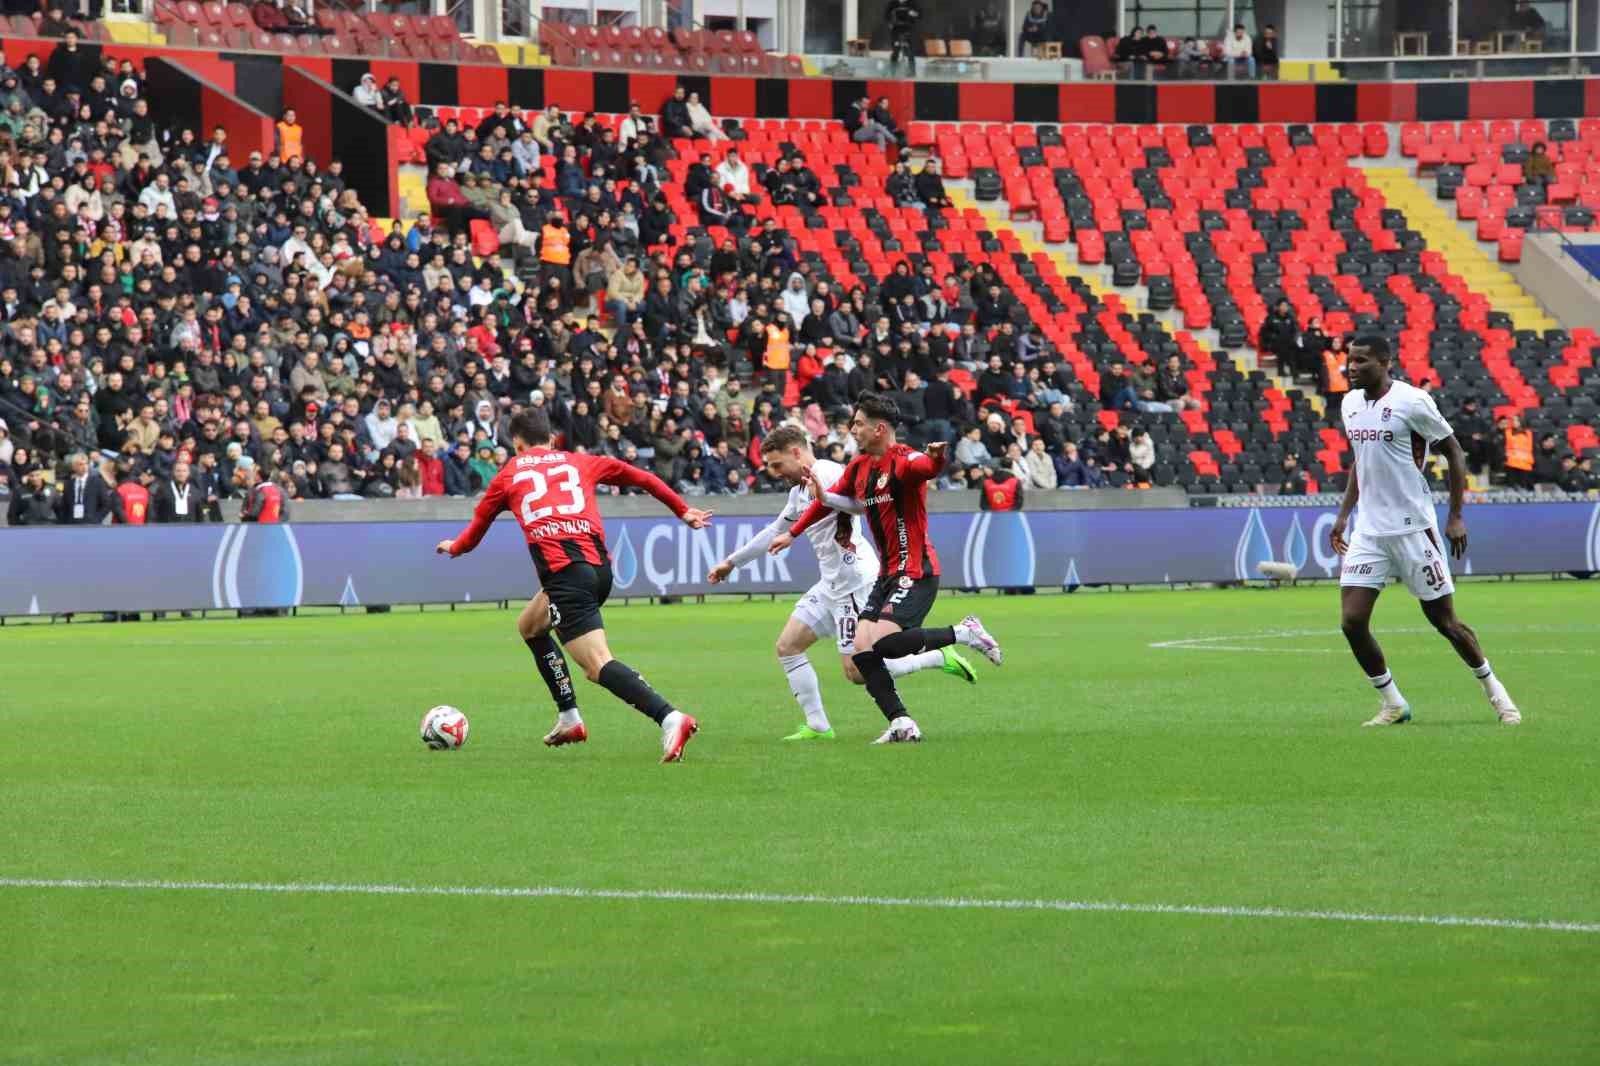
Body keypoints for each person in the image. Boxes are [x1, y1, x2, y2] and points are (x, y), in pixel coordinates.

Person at [435, 408, 715, 763]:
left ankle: (671, 718)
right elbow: (641, 477)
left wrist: (454, 547)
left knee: (597, 665)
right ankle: (569, 717)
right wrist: (682, 509)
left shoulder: (508, 475)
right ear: (552, 439)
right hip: (598, 570)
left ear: (516, 443)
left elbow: (475, 531)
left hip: (567, 578)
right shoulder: (580, 461)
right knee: (530, 626)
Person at [707, 425, 975, 741]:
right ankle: (818, 726)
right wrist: (731, 562)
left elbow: (862, 503)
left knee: (859, 671)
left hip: (854, 581)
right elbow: (774, 531)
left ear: (796, 452)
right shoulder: (798, 493)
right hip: (830, 584)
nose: (774, 473)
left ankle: (938, 656)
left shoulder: (831, 472)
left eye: (777, 464)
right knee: (788, 646)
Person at [768, 393, 1003, 744]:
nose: (853, 430)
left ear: (879, 429)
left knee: (887, 646)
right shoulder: (859, 467)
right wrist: (794, 532)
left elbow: (927, 468)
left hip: (916, 569)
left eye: (859, 424)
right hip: (887, 573)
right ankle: (901, 723)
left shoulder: (905, 461)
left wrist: (938, 459)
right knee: (862, 653)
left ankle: (964, 633)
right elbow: (827, 503)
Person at [1329, 335, 1520, 727]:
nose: (1351, 367)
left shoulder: (1412, 402)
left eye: (1361, 361)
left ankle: (1497, 694)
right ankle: (1393, 703)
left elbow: (1454, 451)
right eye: (1350, 360)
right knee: (1351, 622)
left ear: (1385, 363)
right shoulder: (1349, 404)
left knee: (1445, 623)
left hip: (1414, 529)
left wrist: (1454, 516)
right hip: (1370, 531)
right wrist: (1344, 515)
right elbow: (1360, 462)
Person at [56, 451, 119, 524]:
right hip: (72, 524)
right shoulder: (68, 484)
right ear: (74, 467)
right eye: (80, 464)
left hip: (91, 524)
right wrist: (66, 521)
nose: (84, 466)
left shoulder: (97, 482)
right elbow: (64, 506)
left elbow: (107, 504)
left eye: (86, 464)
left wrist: (97, 519)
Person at [236, 456, 289, 522]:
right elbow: (286, 512)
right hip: (275, 526)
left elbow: (254, 511)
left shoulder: (259, 490)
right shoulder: (280, 490)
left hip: (261, 525)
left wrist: (245, 517)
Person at [884, 0, 920, 75]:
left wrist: (914, 14)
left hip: (909, 29)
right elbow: (886, 16)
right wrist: (890, 24)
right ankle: (892, 72)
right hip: (896, 30)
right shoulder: (893, 3)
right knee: (896, 51)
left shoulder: (912, 3)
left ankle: (912, 73)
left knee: (910, 52)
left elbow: (920, 15)